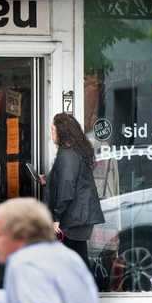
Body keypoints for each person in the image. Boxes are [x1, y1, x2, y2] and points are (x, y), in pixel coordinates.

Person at [42, 112, 104, 267]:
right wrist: (50, 180)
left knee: (74, 262)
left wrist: (56, 218)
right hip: (77, 217)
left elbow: (67, 187)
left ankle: (86, 290)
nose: (51, 134)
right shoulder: (74, 151)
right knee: (76, 260)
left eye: (53, 130)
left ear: (62, 131)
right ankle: (85, 289)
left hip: (73, 219)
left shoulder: (67, 154)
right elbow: (69, 180)